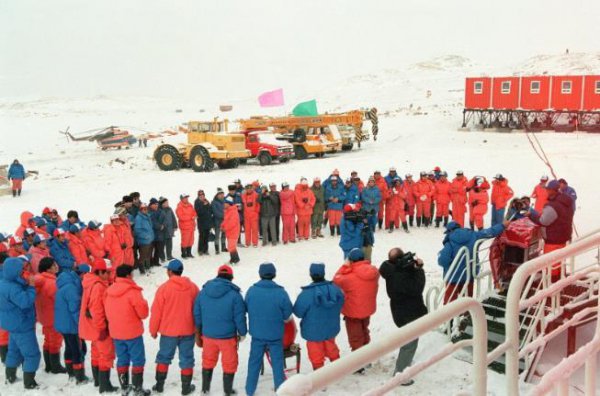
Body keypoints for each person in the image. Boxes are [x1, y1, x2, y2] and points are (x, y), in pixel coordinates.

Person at [193, 265, 247, 395]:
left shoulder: (203, 292)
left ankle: (205, 390)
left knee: (208, 361)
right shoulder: (235, 295)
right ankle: (227, 391)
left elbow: (197, 313)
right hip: (227, 337)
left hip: (208, 336)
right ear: (230, 278)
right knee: (229, 363)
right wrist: (243, 332)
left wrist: (199, 330)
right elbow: (239, 316)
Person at [150, 259, 199, 395]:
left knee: (163, 357)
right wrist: (198, 329)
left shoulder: (164, 289)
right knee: (187, 359)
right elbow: (198, 310)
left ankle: (159, 386)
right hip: (188, 330)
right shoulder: (193, 287)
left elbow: (156, 312)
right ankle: (186, 388)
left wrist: (153, 330)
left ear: (170, 272)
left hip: (168, 332)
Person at [379, 248, 428, 384]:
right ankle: (401, 375)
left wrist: (408, 267)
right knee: (409, 343)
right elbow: (417, 287)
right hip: (410, 312)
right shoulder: (401, 274)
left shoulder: (389, 269)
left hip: (398, 311)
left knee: (407, 339)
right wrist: (419, 269)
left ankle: (404, 364)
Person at [245, 263, 293, 396]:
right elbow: (287, 313)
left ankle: (249, 390)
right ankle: (280, 389)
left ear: (260, 274)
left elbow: (246, 308)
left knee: (254, 362)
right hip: (275, 335)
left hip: (257, 334)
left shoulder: (252, 291)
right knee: (277, 362)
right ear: (274, 274)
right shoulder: (281, 292)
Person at [105, 264, 151, 395]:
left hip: (116, 332)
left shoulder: (109, 290)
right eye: (132, 273)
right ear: (127, 275)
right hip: (132, 333)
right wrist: (145, 304)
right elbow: (143, 314)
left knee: (122, 359)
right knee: (138, 360)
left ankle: (125, 388)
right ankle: (138, 389)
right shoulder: (133, 292)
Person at [438, 220, 507, 303]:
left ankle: (449, 315)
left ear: (450, 231)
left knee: (450, 301)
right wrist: (502, 226)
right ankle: (466, 313)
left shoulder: (449, 242)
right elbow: (489, 232)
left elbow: (443, 260)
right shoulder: (473, 235)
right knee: (467, 300)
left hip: (453, 277)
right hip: (469, 274)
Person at [293, 263, 344, 370]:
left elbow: (298, 312)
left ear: (310, 274)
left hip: (313, 331)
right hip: (331, 328)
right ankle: (338, 369)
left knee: (315, 353)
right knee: (331, 348)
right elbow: (341, 304)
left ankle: (319, 374)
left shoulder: (306, 294)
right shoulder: (335, 289)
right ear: (323, 273)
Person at [0, 257, 41, 388]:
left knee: (14, 351)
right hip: (22, 324)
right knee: (32, 354)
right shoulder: (13, 288)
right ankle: (30, 383)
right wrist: (31, 287)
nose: (24, 271)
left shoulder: (3, 283)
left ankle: (10, 376)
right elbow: (25, 302)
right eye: (21, 269)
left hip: (12, 324)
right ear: (14, 271)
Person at [79, 258, 118, 392]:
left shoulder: (90, 282)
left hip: (92, 325)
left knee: (96, 353)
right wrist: (102, 328)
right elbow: (97, 310)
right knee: (105, 355)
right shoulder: (99, 287)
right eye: (107, 272)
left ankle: (98, 381)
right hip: (99, 326)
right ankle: (105, 385)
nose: (109, 275)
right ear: (100, 272)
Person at [333, 248, 379, 361]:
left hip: (353, 312)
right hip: (368, 308)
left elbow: (336, 280)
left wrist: (345, 266)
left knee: (355, 336)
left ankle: (358, 361)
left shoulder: (349, 277)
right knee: (364, 330)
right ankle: (366, 352)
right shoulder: (374, 271)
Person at [528, 180, 575, 280]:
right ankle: (560, 282)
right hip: (563, 238)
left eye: (547, 189)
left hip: (552, 240)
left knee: (551, 266)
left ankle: (552, 288)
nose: (546, 191)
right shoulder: (566, 201)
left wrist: (530, 216)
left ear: (552, 190)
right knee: (560, 263)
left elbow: (544, 221)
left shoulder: (553, 205)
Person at [55, 261, 89, 384]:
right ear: (83, 274)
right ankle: (80, 376)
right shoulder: (72, 288)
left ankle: (71, 373)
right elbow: (75, 309)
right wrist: (81, 326)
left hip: (63, 323)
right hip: (71, 325)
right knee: (78, 350)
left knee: (70, 348)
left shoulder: (67, 282)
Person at [34, 257, 66, 375]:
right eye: (53, 265)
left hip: (44, 317)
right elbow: (59, 300)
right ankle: (56, 366)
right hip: (54, 317)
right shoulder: (51, 283)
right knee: (55, 341)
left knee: (48, 340)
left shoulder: (40, 280)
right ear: (48, 269)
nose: (56, 266)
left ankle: (49, 365)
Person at [134, 203, 154, 274]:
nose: (145, 210)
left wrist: (151, 236)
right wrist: (145, 236)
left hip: (150, 239)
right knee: (143, 256)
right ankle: (142, 270)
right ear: (141, 210)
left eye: (146, 209)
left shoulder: (148, 216)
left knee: (148, 255)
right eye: (144, 209)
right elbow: (137, 230)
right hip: (144, 241)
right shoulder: (138, 218)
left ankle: (147, 267)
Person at [176, 194, 196, 258]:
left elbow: (194, 212)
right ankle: (183, 254)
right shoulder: (179, 207)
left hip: (191, 226)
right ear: (182, 199)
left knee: (191, 240)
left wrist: (194, 216)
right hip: (184, 227)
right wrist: (191, 217)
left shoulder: (190, 205)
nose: (187, 199)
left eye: (187, 198)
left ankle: (189, 253)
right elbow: (181, 217)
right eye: (185, 198)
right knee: (185, 240)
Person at [222, 198, 241, 265]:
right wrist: (222, 225)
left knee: (231, 247)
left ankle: (234, 260)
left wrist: (225, 228)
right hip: (230, 232)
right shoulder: (227, 211)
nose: (224, 204)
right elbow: (226, 220)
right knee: (231, 246)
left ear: (228, 204)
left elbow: (232, 223)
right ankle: (234, 259)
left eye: (225, 203)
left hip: (233, 232)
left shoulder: (233, 211)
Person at [194, 190, 214, 255]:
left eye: (203, 195)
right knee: (201, 236)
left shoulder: (206, 201)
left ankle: (206, 250)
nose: (202, 196)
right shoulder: (197, 202)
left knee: (206, 237)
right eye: (200, 195)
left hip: (207, 222)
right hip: (201, 223)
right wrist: (204, 206)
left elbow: (210, 210)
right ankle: (200, 250)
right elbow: (199, 212)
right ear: (198, 196)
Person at [211, 188, 227, 255]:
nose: (221, 195)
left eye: (222, 194)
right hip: (217, 222)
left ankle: (223, 247)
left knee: (224, 235)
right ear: (217, 195)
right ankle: (217, 249)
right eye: (220, 194)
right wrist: (224, 216)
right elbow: (215, 212)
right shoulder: (214, 202)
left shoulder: (225, 201)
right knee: (217, 236)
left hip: (225, 221)